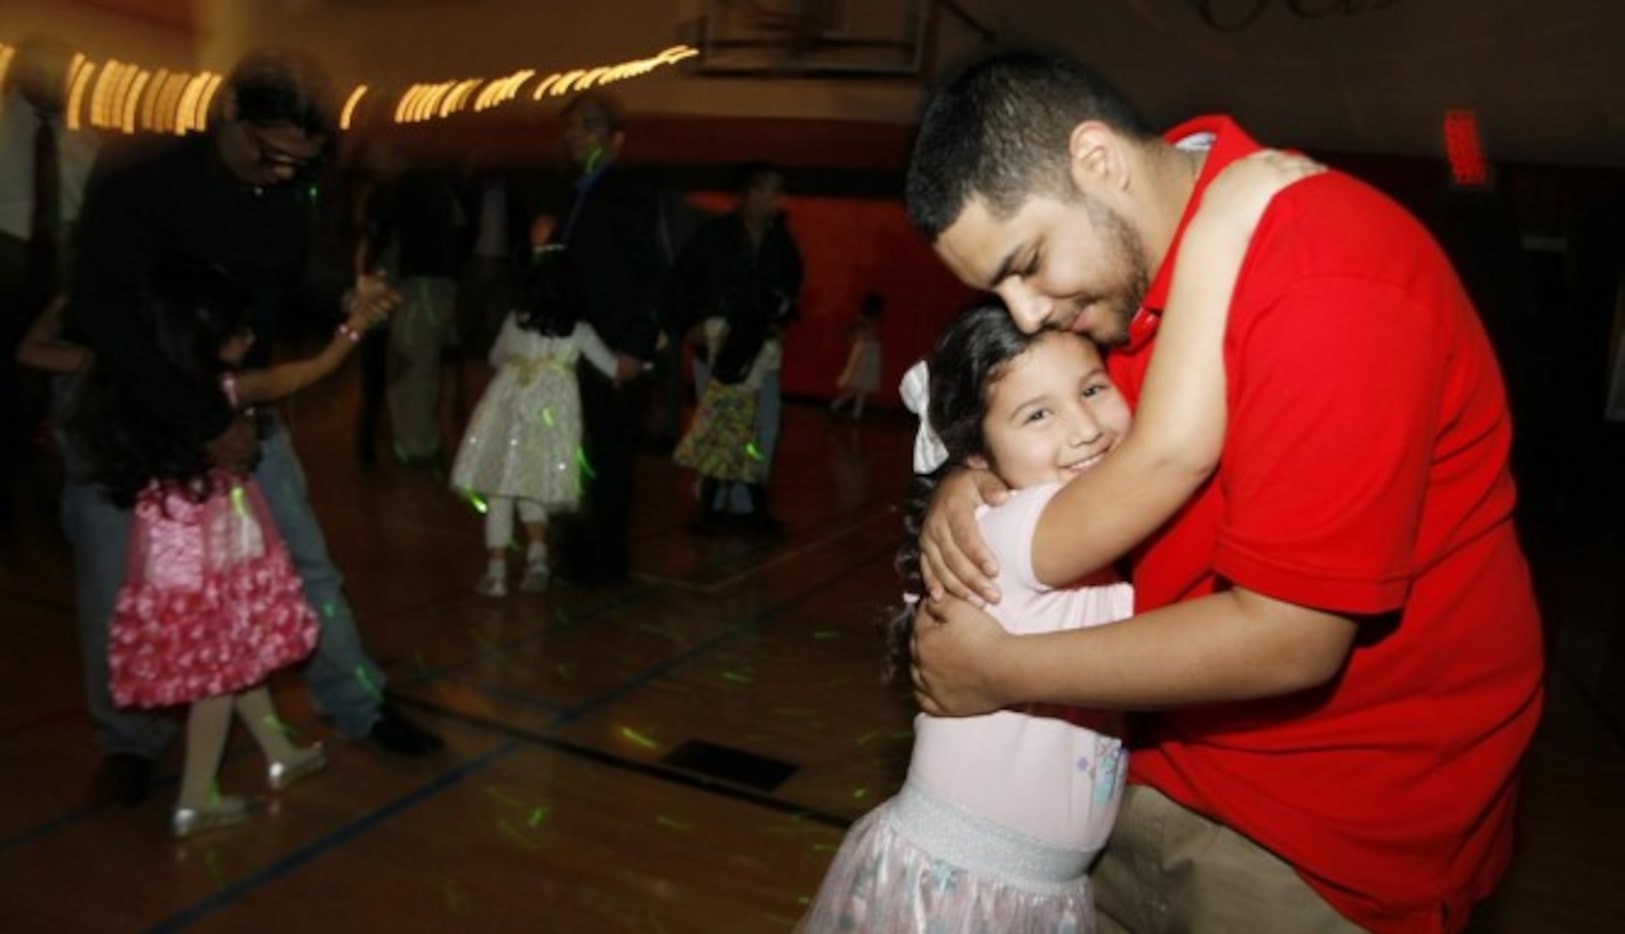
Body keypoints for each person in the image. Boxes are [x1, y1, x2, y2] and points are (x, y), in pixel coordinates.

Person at [903, 50, 1546, 933]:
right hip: (1135, 778)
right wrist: (973, 477)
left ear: (1097, 161)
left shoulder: (1325, 274)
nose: (1024, 314)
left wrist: (997, 669)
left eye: (1028, 262)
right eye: (995, 289)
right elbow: (1053, 430)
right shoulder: (1108, 287)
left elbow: (1290, 638)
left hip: (1323, 837)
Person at [798, 152, 1307, 932]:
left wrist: (965, 480)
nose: (1081, 430)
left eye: (1093, 389)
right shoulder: (1015, 531)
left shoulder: (1040, 520)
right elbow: (1172, 454)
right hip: (962, 894)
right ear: (975, 454)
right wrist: (1223, 228)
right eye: (1036, 416)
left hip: (1045, 891)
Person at [61, 48, 443, 809]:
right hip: (130, 418)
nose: (281, 173)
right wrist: (203, 420)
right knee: (119, 586)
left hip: (238, 410)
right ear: (228, 113)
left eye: (300, 161)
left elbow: (292, 277)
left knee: (304, 562)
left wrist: (343, 296)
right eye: (269, 153)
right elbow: (104, 316)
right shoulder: (140, 183)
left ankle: (359, 704)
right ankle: (130, 744)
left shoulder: (288, 189)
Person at [50, 257, 385, 837]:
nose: (252, 340)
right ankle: (195, 797)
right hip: (209, 561)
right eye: (241, 332)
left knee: (237, 656)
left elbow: (34, 352)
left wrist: (67, 309)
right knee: (220, 681)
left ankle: (279, 749)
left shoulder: (139, 389)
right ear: (206, 340)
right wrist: (353, 329)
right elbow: (312, 370)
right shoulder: (227, 391)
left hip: (178, 564)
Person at [449, 215, 621, 596]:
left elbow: (495, 357)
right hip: (550, 418)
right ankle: (538, 559)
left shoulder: (515, 321)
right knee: (533, 485)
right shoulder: (579, 330)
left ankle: (495, 573)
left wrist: (520, 364)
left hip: (507, 412)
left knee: (499, 489)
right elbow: (610, 367)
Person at [549, 91, 667, 584]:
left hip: (615, 350)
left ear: (616, 140)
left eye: (590, 126)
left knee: (610, 456)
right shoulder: (575, 193)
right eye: (573, 126)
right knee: (579, 453)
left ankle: (604, 560)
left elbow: (656, 273)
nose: (577, 135)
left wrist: (636, 349)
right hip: (576, 348)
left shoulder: (627, 193)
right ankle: (580, 553)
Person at [0, 34, 99, 537]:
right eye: (45, 71)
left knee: (49, 401)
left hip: (57, 293)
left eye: (62, 72)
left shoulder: (85, 147)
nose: (56, 82)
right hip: (5, 284)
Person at [666, 162, 803, 518]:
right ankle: (713, 495)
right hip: (715, 346)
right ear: (752, 193)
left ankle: (745, 501)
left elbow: (790, 285)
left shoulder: (779, 240)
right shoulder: (715, 235)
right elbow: (682, 281)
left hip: (762, 347)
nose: (777, 199)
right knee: (718, 422)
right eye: (771, 190)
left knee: (764, 423)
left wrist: (779, 315)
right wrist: (691, 323)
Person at [672, 308, 778, 533]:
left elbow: (693, 333)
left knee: (713, 464)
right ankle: (760, 519)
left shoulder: (717, 326)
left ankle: (708, 516)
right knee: (747, 467)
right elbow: (765, 375)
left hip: (717, 401)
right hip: (742, 407)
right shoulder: (769, 346)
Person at [828, 291, 885, 420]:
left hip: (866, 351)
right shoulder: (867, 320)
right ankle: (840, 408)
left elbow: (850, 333)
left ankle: (850, 411)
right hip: (867, 352)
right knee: (860, 387)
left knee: (859, 387)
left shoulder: (865, 320)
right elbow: (851, 332)